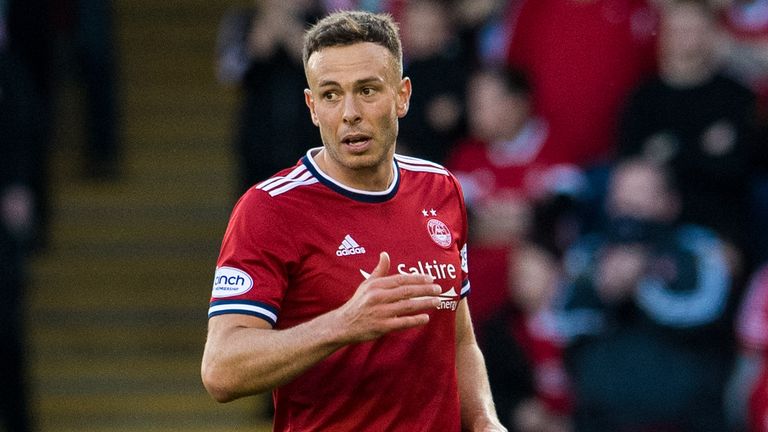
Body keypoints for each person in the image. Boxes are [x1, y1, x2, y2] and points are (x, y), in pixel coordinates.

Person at [201, 10, 506, 432]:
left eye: (367, 90)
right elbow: (220, 370)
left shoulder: (441, 189)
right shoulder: (270, 210)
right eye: (330, 94)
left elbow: (459, 339)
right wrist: (344, 324)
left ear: (402, 95)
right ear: (312, 107)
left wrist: (486, 423)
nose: (349, 113)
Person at [559, 158, 732, 431]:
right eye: (621, 193)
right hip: (603, 417)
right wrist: (602, 293)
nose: (629, 204)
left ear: (670, 202)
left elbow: (708, 311)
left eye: (641, 193)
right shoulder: (587, 253)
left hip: (686, 416)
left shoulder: (698, 249)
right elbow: (560, 323)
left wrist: (643, 283)